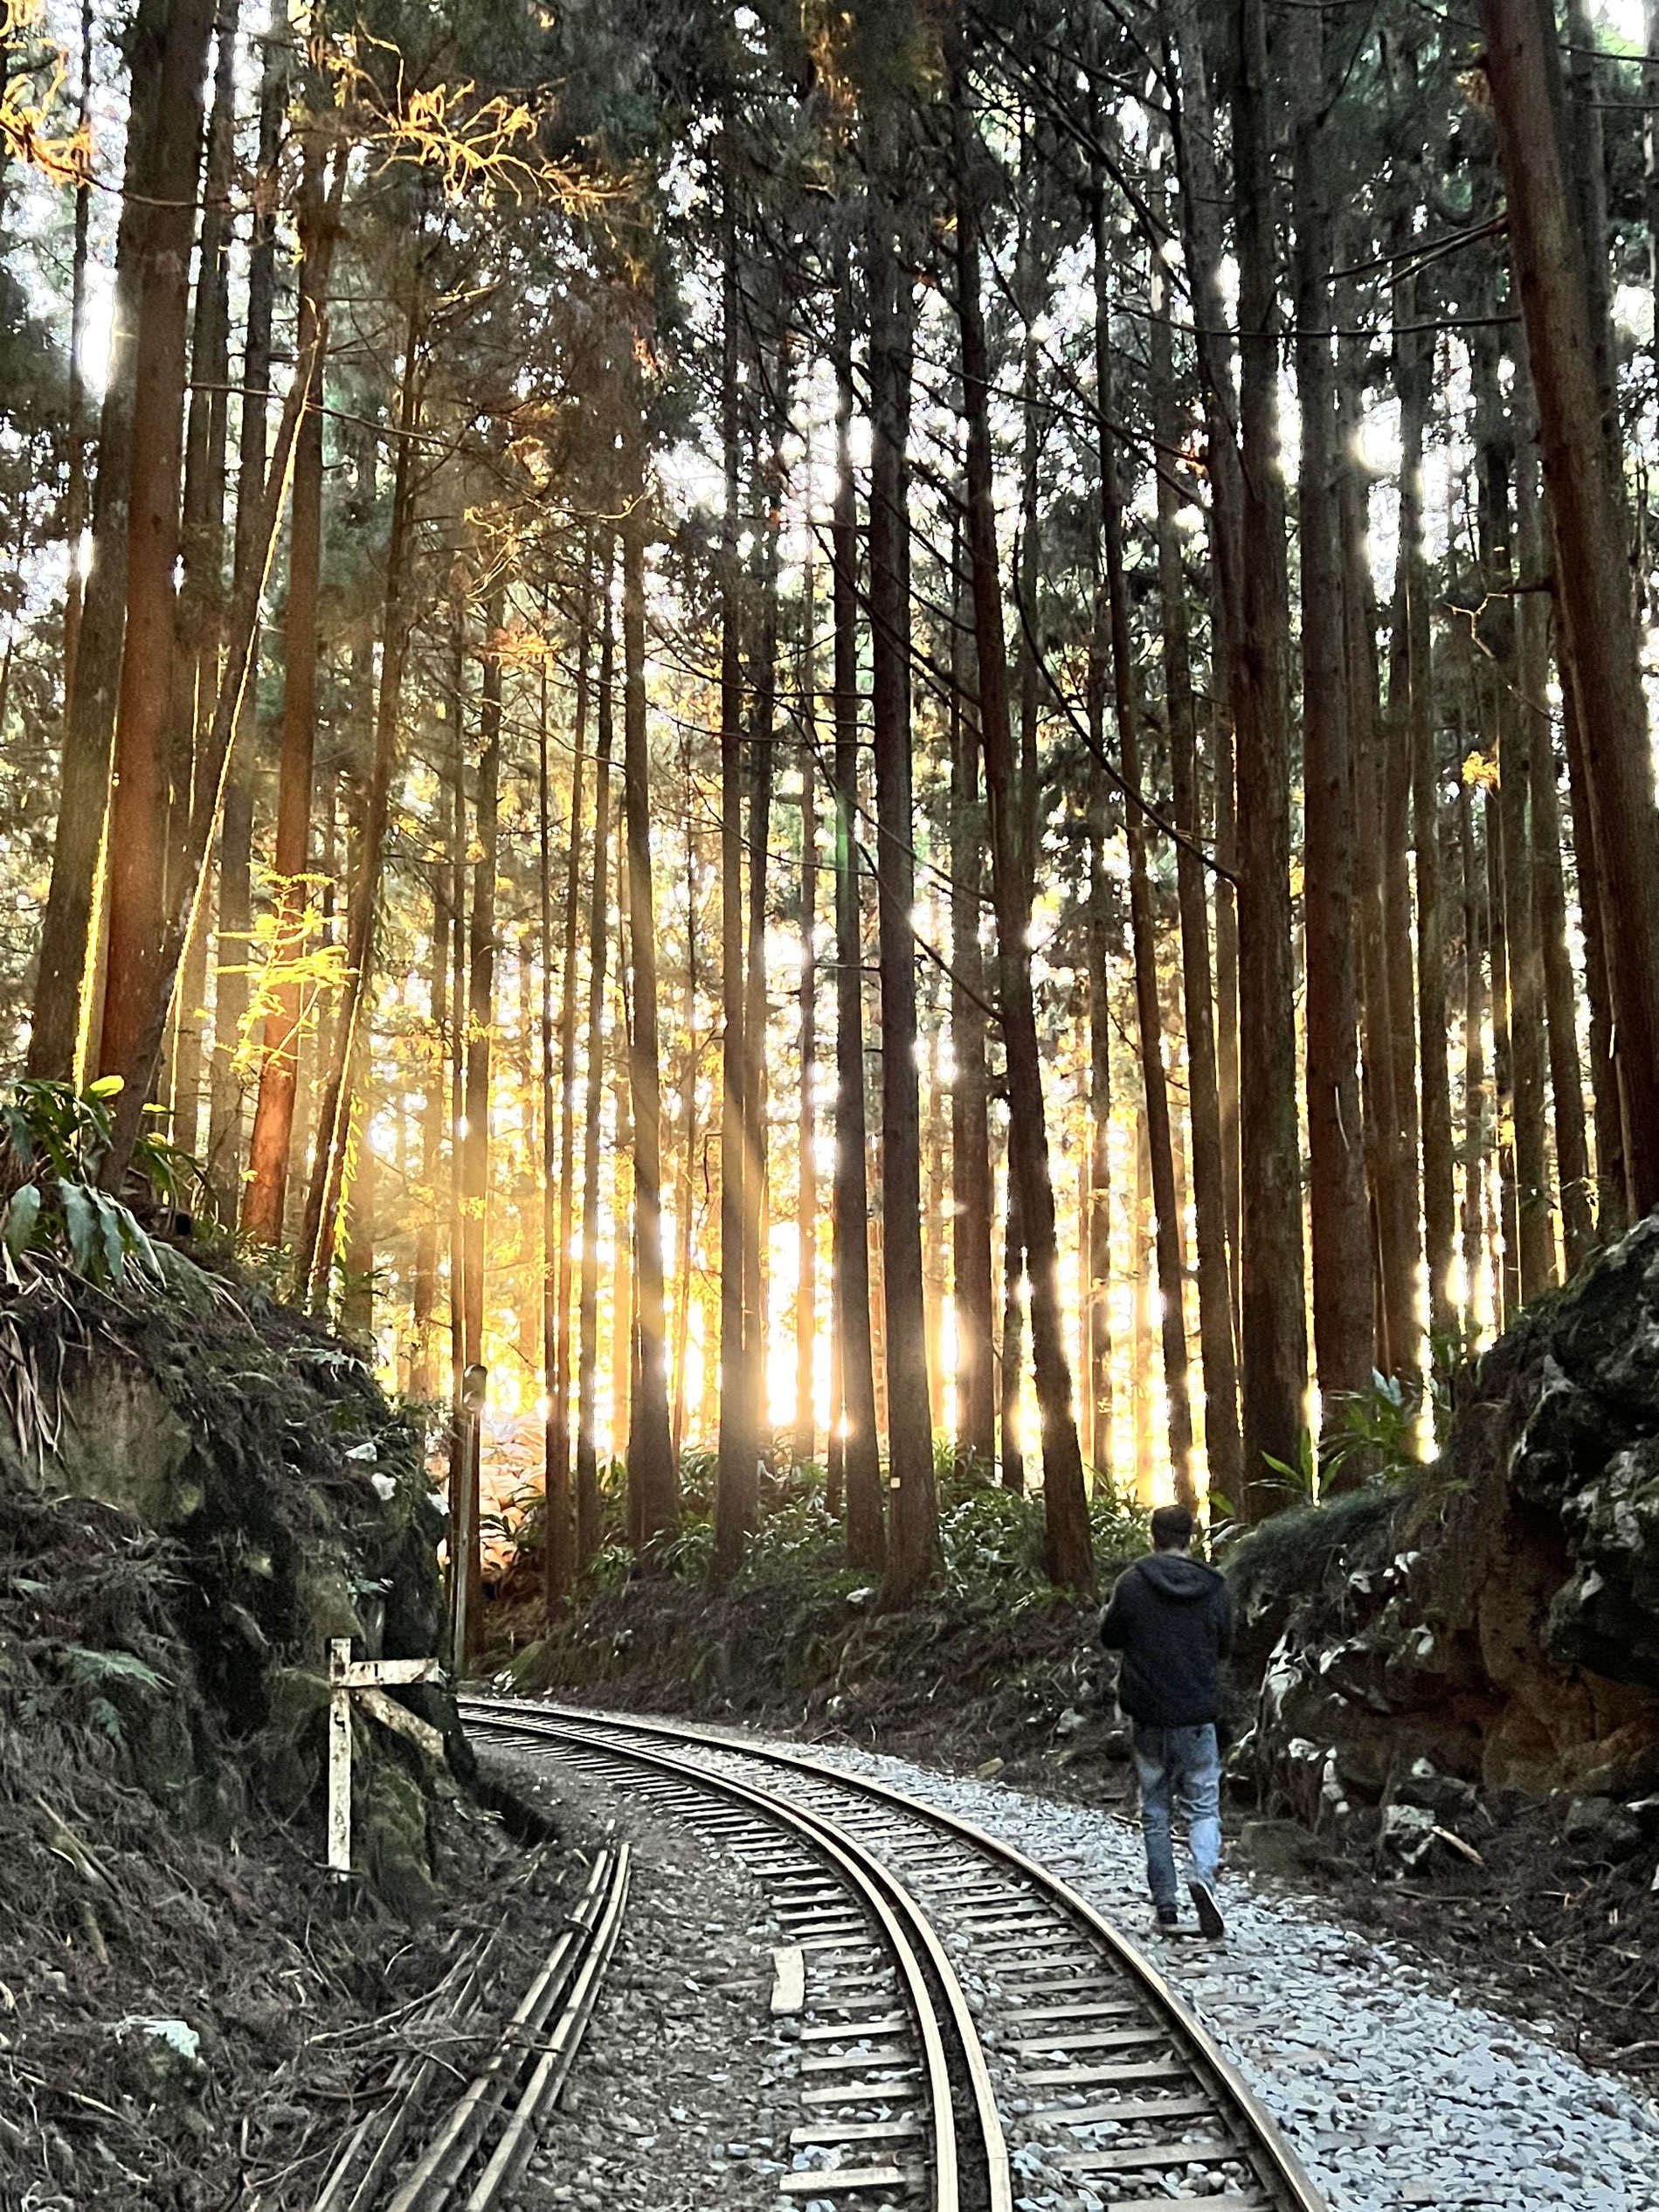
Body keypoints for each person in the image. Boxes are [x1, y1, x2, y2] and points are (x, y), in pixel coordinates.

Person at [1098, 1502, 1232, 1939]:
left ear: (1153, 1536)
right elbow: (1226, 1646)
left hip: (1149, 1717)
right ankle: (1203, 1877)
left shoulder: (1132, 1584)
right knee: (1203, 1806)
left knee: (1155, 1810)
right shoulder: (1214, 1587)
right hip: (1197, 1716)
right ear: (1189, 1537)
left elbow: (1110, 1636)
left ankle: (1167, 1908)